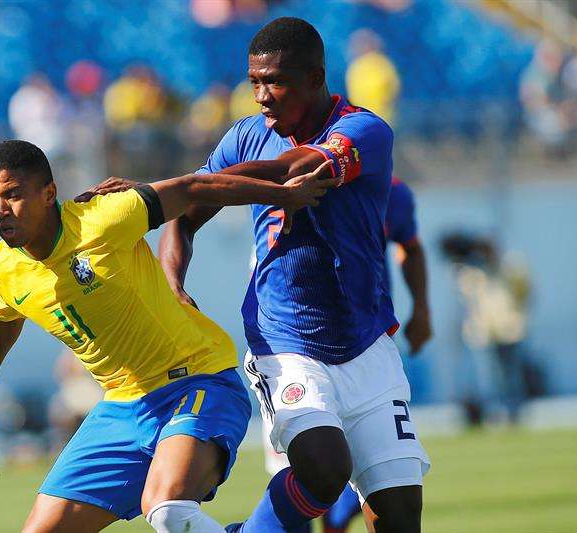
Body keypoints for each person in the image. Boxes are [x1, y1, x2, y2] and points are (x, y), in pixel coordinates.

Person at [0, 139, 335, 533]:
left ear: (49, 193)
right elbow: (5, 313)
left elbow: (192, 189)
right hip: (122, 406)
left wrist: (283, 195)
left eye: (12, 194)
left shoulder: (103, 219)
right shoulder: (2, 268)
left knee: (167, 509)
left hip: (197, 380)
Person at [158, 17, 430, 533]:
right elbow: (183, 220)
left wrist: (186, 184)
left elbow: (293, 171)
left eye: (276, 82)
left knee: (400, 517)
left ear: (315, 78)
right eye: (255, 81)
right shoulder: (244, 138)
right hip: (285, 342)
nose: (262, 96)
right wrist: (173, 281)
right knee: (324, 470)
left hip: (365, 343)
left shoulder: (363, 130)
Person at [259, 176, 432, 533]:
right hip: (293, 350)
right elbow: (199, 194)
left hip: (367, 346)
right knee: (311, 476)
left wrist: (422, 309)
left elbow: (411, 247)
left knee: (393, 497)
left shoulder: (391, 190)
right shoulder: (279, 185)